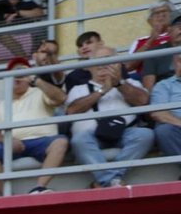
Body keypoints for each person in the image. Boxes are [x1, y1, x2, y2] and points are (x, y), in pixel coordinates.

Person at [66, 47, 154, 189]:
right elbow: (72, 110)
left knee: (146, 134)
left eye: (108, 60)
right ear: (89, 67)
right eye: (98, 61)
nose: (103, 65)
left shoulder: (132, 83)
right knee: (78, 141)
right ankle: (113, 181)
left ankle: (107, 180)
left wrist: (119, 84)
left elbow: (143, 101)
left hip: (126, 133)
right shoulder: (78, 89)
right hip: (92, 136)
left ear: (119, 64)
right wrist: (102, 90)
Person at [0, 62, 69, 194]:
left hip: (42, 141)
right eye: (13, 74)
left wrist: (35, 79)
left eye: (22, 73)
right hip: (11, 145)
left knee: (61, 142)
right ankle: (8, 196)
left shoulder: (40, 92)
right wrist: (8, 141)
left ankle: (39, 188)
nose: (18, 76)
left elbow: (62, 98)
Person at [151, 52, 181, 156]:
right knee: (164, 131)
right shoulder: (164, 85)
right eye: (180, 60)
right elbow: (158, 113)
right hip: (177, 128)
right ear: (174, 63)